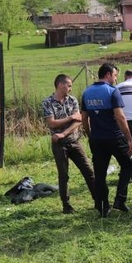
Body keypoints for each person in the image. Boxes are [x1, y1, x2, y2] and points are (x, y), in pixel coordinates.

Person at [81, 63, 132, 217]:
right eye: (115, 75)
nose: (116, 78)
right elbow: (120, 117)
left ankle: (103, 207)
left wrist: (89, 134)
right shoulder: (112, 91)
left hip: (97, 139)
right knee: (128, 164)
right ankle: (120, 199)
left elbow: (84, 118)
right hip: (114, 137)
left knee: (100, 173)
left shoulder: (87, 92)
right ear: (108, 74)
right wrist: (129, 139)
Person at [41, 74, 96, 214]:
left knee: (88, 171)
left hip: (73, 141)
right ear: (61, 85)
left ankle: (98, 200)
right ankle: (66, 205)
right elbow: (52, 122)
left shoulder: (72, 100)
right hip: (59, 144)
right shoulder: (47, 102)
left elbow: (79, 121)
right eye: (69, 85)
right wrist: (71, 117)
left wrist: (64, 133)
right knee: (63, 175)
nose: (70, 89)